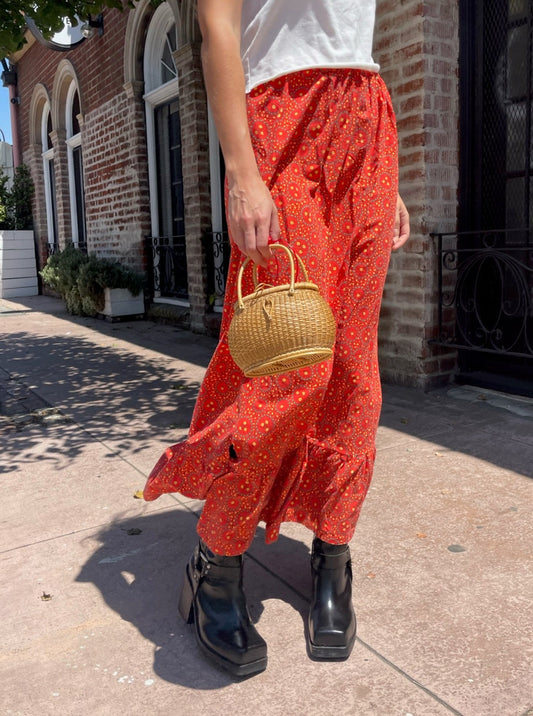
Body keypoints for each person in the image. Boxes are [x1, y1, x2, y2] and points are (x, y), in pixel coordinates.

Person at [143, 0, 410, 677]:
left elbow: (349, 36)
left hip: (367, 123)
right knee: (291, 365)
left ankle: (333, 557)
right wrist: (241, 172)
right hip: (279, 119)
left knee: (354, 369)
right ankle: (216, 562)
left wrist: (385, 181)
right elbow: (220, 28)